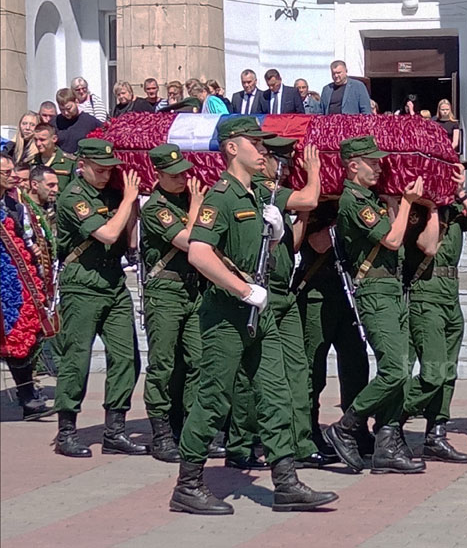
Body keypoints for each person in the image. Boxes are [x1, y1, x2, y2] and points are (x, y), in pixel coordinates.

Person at [170, 116, 337, 515]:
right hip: (228, 313)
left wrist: (277, 232)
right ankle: (188, 484)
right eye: (255, 143)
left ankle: (285, 481)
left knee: (276, 393)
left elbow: (295, 214)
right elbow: (199, 253)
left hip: (260, 314)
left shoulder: (260, 195)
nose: (263, 151)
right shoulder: (221, 197)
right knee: (214, 397)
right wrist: (244, 289)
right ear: (231, 147)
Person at [232, 137, 337, 470]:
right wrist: (315, 171)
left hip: (284, 292)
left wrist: (302, 217)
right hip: (260, 293)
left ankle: (300, 443)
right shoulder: (265, 189)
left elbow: (290, 245)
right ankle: (240, 443)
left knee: (298, 370)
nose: (290, 167)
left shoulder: (277, 194)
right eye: (285, 161)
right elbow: (309, 196)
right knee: (252, 373)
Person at [323, 135, 426, 474]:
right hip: (374, 291)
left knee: (399, 368)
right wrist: (408, 202)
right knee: (393, 370)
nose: (379, 166)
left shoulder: (372, 199)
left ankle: (387, 443)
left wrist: (396, 202)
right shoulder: (354, 201)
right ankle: (347, 426)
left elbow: (394, 241)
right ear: (353, 166)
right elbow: (393, 239)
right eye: (373, 162)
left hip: (391, 288)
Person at [52, 138, 147, 458]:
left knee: (126, 357)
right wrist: (128, 200)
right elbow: (106, 234)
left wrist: (131, 205)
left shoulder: (114, 193)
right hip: (82, 284)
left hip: (113, 282)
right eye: (100, 169)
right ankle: (66, 430)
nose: (106, 174)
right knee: (76, 359)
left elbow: (129, 240)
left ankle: (115, 430)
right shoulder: (73, 197)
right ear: (83, 166)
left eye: (110, 169)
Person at [401, 161, 467, 463]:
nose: (455, 174)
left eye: (459, 170)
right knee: (433, 371)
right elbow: (427, 246)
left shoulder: (456, 209)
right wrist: (435, 206)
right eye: (450, 171)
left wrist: (462, 194)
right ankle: (389, 419)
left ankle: (436, 433)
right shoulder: (421, 210)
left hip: (451, 295)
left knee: (448, 371)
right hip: (426, 293)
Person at [140, 144, 207, 463]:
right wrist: (196, 205)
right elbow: (190, 241)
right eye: (175, 174)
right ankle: (162, 432)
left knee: (198, 359)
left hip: (191, 291)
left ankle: (190, 428)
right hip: (164, 291)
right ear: (159, 174)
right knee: (163, 364)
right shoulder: (156, 208)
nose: (183, 179)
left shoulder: (183, 201)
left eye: (184, 172)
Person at [293, 204, 372, 465]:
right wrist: (344, 219)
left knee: (356, 364)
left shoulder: (354, 203)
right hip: (317, 293)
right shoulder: (317, 206)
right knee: (312, 370)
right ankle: (306, 434)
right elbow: (318, 243)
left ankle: (355, 429)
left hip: (348, 294)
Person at [0, 154, 55, 420]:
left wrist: (30, 247)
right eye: (7, 172)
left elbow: (22, 234)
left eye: (13, 171)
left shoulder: (13, 202)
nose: (13, 176)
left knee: (21, 334)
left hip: (13, 279)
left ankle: (27, 397)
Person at [53, 88, 103, 154]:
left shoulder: (89, 121)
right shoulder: (54, 122)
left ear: (76, 102)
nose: (66, 113)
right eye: (62, 109)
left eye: (69, 108)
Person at [33, 122, 77, 191]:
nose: (38, 144)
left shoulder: (70, 163)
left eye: (42, 140)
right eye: (35, 140)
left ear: (54, 139)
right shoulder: (31, 162)